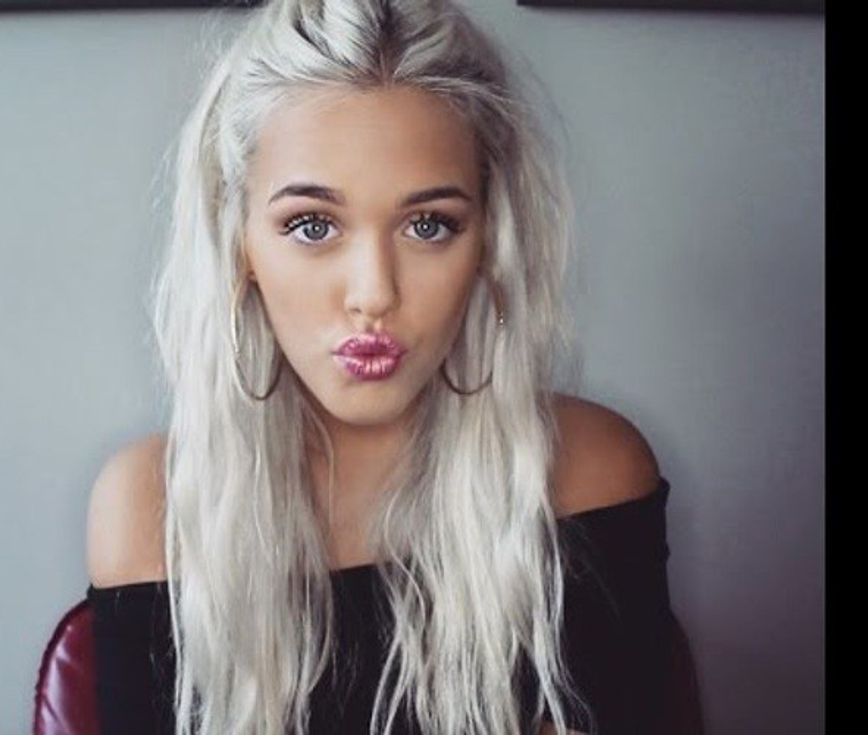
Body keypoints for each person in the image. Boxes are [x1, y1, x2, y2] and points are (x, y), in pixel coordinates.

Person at [85, 1, 675, 733]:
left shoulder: (588, 474)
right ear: (239, 243)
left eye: (429, 225)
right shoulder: (153, 507)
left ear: (490, 240)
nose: (374, 293)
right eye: (312, 225)